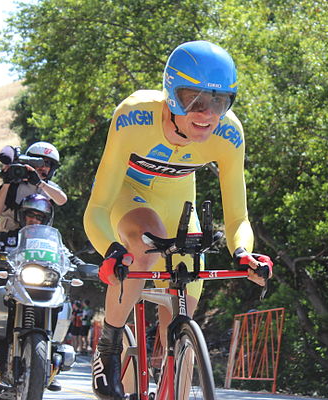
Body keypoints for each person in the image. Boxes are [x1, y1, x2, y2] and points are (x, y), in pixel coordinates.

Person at [83, 40, 274, 400]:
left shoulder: (229, 134)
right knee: (148, 244)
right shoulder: (134, 116)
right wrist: (111, 251)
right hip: (129, 194)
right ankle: (108, 347)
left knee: (189, 284)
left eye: (219, 101)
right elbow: (97, 207)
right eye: (194, 100)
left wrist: (244, 253)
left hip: (177, 201)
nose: (206, 113)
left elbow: (238, 217)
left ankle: (175, 377)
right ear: (171, 95)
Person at [0, 194, 77, 391]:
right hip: (11, 285)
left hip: (42, 287)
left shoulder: (53, 243)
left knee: (61, 304)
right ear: (22, 216)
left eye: (38, 217)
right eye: (29, 215)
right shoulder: (6, 237)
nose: (33, 220)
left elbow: (68, 257)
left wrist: (81, 265)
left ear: (45, 220)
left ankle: (50, 363)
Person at [0, 141, 67, 232]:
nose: (42, 167)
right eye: (38, 162)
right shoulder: (15, 186)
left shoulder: (50, 188)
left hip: (37, 241)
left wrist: (40, 183)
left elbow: (62, 200)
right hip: (7, 241)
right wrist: (7, 183)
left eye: (47, 164)